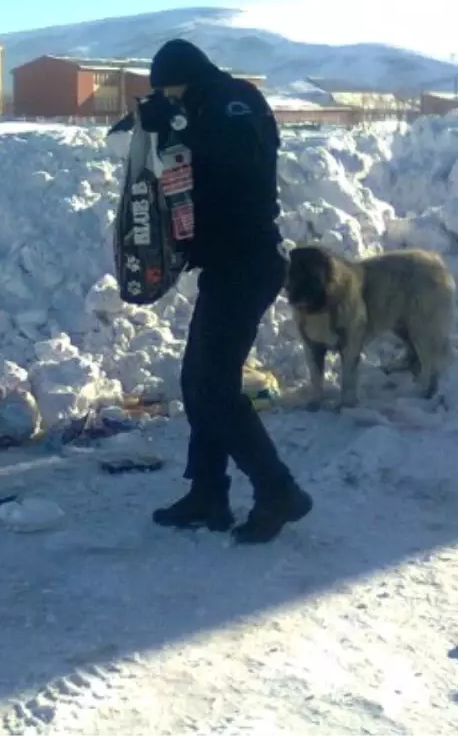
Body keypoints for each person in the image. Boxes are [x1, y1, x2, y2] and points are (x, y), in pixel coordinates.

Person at [121, 38, 312, 544]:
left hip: (249, 262)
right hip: (226, 265)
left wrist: (182, 125)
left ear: (185, 77)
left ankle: (278, 490)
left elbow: (241, 151)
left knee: (215, 389)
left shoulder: (235, 99)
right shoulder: (202, 105)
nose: (171, 101)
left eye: (170, 90)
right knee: (197, 383)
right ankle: (208, 494)